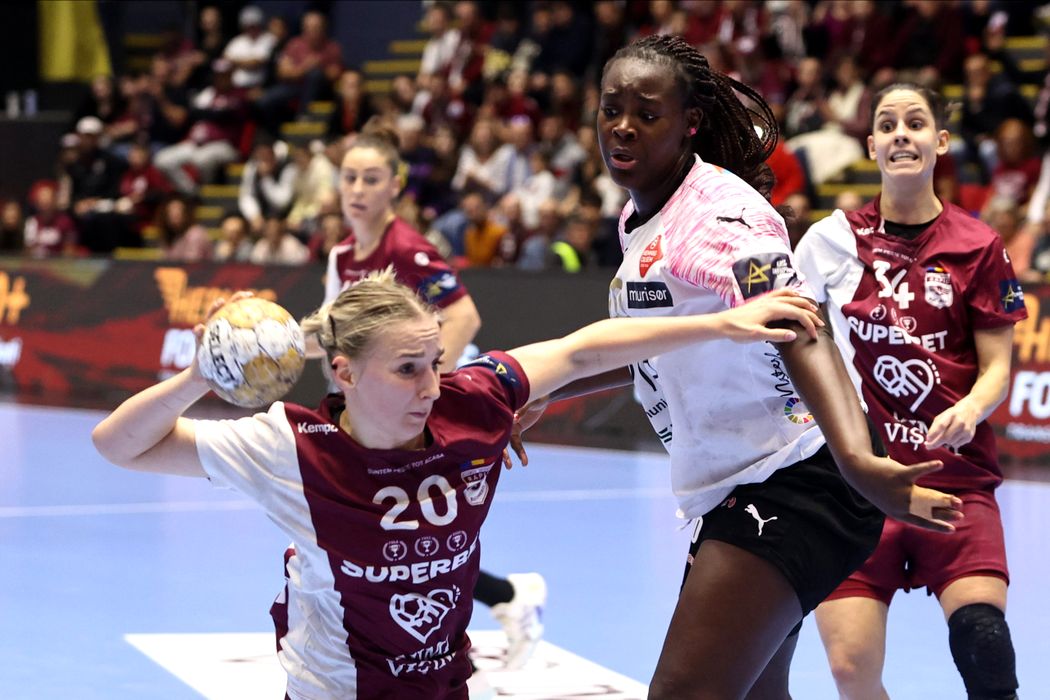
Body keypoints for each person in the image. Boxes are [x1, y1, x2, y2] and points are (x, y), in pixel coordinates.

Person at [92, 270, 827, 700]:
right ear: (344, 373)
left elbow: (580, 350)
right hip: (336, 688)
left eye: (435, 362)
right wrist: (198, 376)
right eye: (407, 369)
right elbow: (119, 445)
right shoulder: (290, 447)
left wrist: (725, 323)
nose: (430, 384)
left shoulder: (471, 402)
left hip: (443, 684)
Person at [514, 34, 964, 699]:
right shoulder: (641, 215)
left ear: (689, 122)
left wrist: (857, 460)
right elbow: (659, 342)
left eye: (647, 113)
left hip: (793, 483)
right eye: (611, 110)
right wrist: (555, 391)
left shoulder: (720, 220)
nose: (623, 127)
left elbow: (797, 323)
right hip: (738, 487)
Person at [796, 83, 1027, 700]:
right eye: (888, 124)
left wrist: (970, 409)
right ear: (872, 146)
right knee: (851, 671)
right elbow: (792, 347)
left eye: (916, 122)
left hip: (955, 480)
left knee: (984, 644)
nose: (902, 133)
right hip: (857, 487)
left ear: (940, 142)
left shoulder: (979, 246)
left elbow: (997, 368)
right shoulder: (829, 241)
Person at [320, 119, 551, 670]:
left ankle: (472, 626)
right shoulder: (342, 255)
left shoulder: (408, 250)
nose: (357, 190)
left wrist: (425, 388)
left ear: (395, 185)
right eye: (349, 177)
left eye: (371, 179)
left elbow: (464, 316)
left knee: (411, 537)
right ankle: (507, 600)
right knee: (393, 537)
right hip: (370, 416)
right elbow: (330, 335)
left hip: (421, 414)